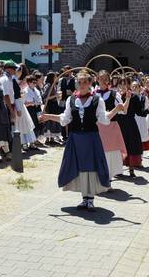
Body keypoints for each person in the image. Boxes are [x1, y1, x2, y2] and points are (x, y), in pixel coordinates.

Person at [39, 70, 123, 210]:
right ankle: (85, 198)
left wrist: (115, 110)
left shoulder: (97, 100)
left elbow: (103, 119)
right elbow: (65, 119)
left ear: (90, 83)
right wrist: (48, 116)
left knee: (91, 168)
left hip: (91, 138)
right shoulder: (71, 100)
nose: (82, 84)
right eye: (79, 82)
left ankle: (90, 198)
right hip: (76, 139)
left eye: (85, 82)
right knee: (80, 168)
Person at [95, 71, 129, 181]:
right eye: (101, 79)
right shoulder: (93, 94)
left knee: (110, 154)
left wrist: (127, 99)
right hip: (97, 127)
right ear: (97, 79)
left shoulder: (114, 94)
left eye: (106, 79)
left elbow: (123, 111)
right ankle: (99, 178)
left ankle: (108, 179)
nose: (104, 81)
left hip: (111, 128)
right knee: (99, 152)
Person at [117, 77, 146, 177]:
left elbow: (140, 112)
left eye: (124, 84)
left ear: (128, 85)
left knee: (130, 145)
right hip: (118, 123)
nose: (122, 86)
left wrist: (148, 110)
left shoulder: (133, 97)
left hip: (129, 124)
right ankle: (118, 169)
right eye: (120, 84)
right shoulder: (116, 96)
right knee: (119, 146)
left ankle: (131, 169)